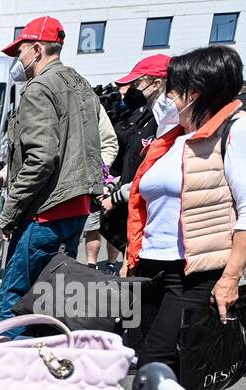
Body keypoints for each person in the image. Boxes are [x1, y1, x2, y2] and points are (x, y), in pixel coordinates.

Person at [124, 45, 246, 390]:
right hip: (152, 266)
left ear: (196, 92)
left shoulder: (240, 130)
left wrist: (230, 278)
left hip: (194, 272)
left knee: (158, 365)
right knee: (156, 362)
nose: (167, 96)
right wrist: (132, 258)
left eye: (173, 89)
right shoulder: (175, 137)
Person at [0, 17, 103, 332]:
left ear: (37, 49)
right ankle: (43, 357)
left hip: (45, 211)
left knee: (15, 300)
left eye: (20, 52)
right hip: (76, 206)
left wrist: (9, 214)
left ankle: (10, 359)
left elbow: (41, 158)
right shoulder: (81, 84)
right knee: (50, 300)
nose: (18, 60)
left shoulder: (39, 87)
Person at [99, 54, 170, 271]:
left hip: (151, 219)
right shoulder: (145, 117)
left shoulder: (168, 122)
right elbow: (134, 165)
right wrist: (113, 186)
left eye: (137, 83)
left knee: (135, 280)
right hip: (133, 212)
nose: (132, 89)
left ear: (156, 84)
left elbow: (155, 172)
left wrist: (117, 197)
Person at [81, 102, 119, 267]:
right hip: (64, 184)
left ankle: (106, 265)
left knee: (100, 225)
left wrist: (100, 170)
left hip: (101, 179)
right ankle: (87, 266)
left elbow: (110, 142)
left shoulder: (93, 104)